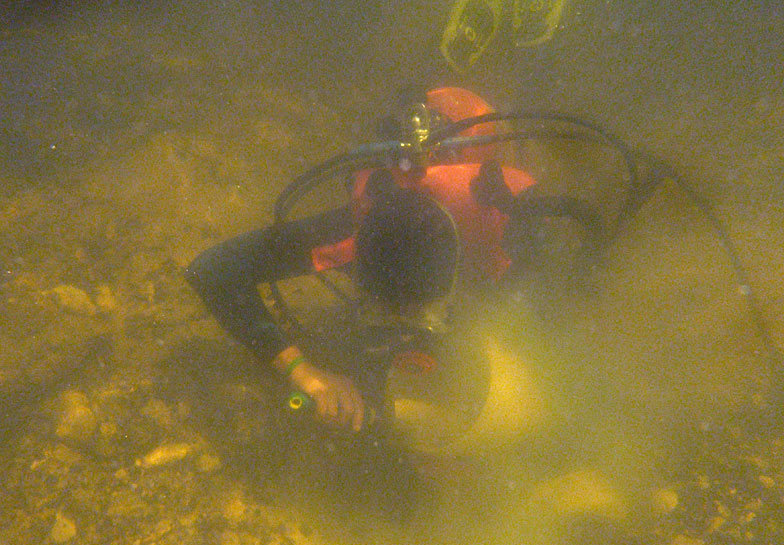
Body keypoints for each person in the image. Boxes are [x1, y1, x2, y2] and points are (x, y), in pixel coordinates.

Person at [185, 86, 556, 436]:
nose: (399, 323)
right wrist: (304, 373)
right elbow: (213, 270)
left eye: (417, 311)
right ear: (358, 258)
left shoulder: (512, 225)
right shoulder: (355, 231)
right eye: (378, 306)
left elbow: (554, 336)